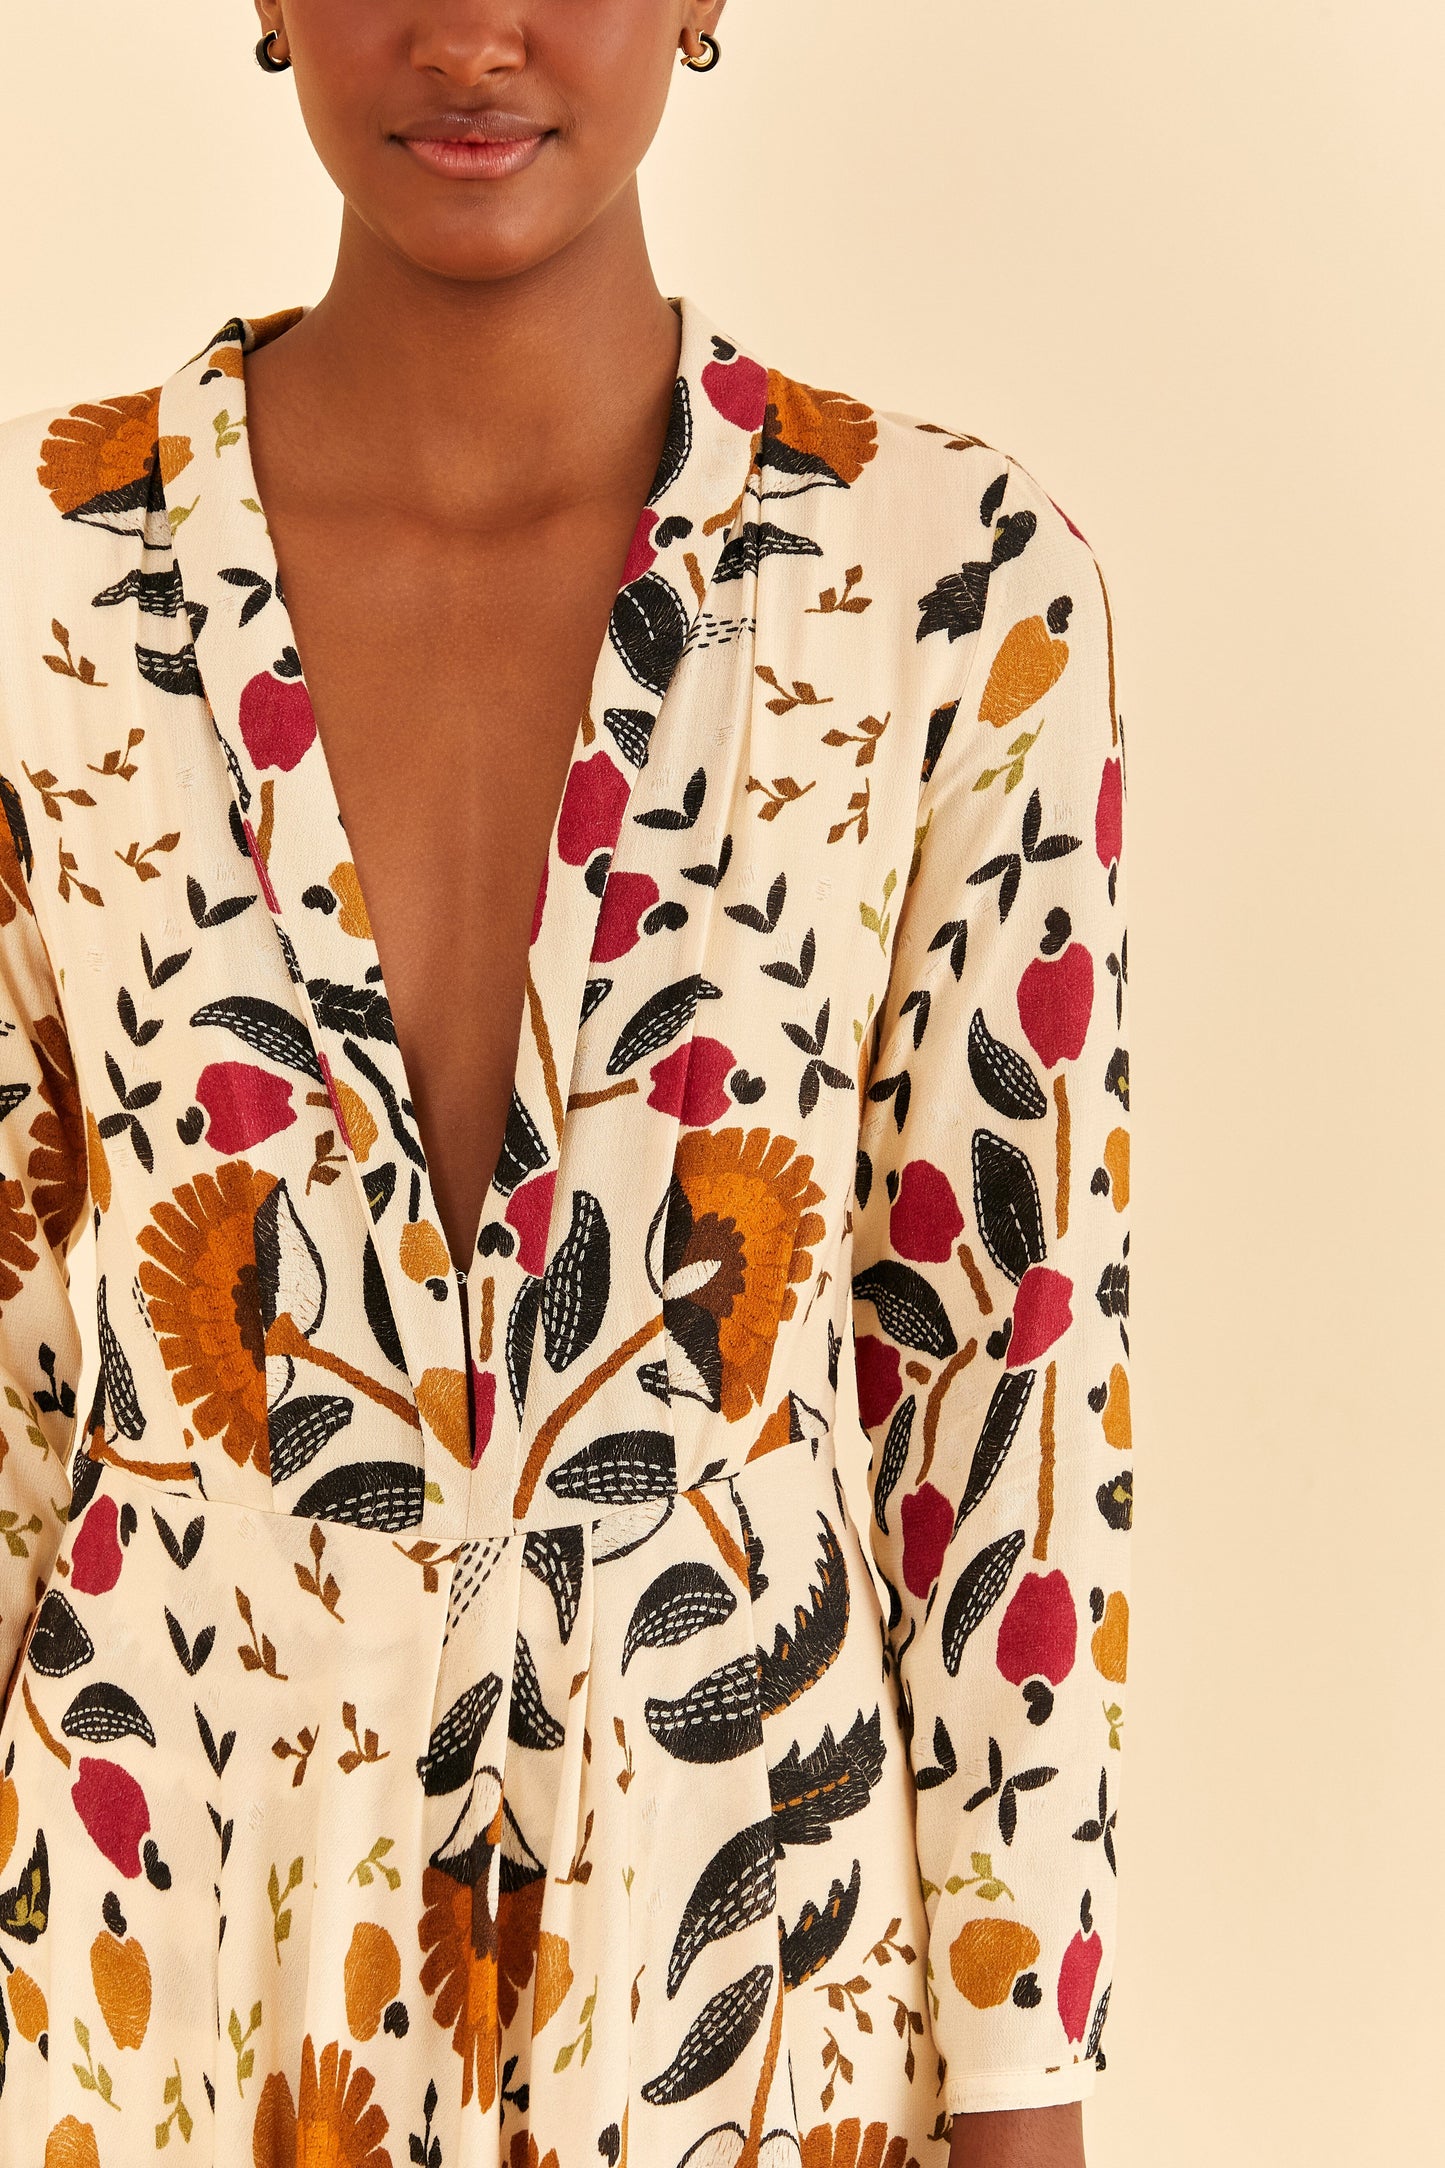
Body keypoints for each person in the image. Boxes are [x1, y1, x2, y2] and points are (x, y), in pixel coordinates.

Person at [0, 6, 1131, 2165]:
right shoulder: (40, 572)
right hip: (158, 1955)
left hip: (747, 1969)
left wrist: (1025, 2089)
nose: (470, 34)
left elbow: (1004, 1381)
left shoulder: (951, 591)